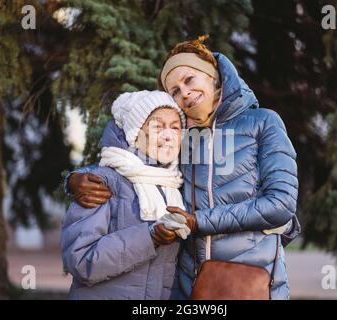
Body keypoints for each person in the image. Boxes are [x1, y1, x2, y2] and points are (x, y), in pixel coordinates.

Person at [65, 36, 301, 299]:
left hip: (251, 279)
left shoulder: (263, 122)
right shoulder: (181, 136)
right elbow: (129, 148)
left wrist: (198, 221)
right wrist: (76, 179)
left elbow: (281, 204)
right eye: (174, 91)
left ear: (213, 76)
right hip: (191, 286)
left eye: (189, 80)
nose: (184, 93)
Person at [61, 90, 189, 299]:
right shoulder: (100, 182)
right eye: (157, 126)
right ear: (134, 133)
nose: (168, 135)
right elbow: (81, 260)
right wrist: (149, 237)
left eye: (175, 127)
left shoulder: (175, 184)